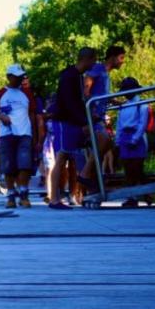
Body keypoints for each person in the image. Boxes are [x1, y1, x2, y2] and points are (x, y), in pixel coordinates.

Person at [48, 47, 97, 208]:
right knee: (61, 158)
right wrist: (83, 121)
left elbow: (78, 102)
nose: (94, 63)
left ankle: (73, 194)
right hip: (64, 121)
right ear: (87, 59)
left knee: (72, 157)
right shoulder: (70, 76)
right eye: (93, 60)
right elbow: (69, 103)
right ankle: (54, 198)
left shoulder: (77, 76)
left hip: (72, 121)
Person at [0, 64, 39, 208]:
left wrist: (34, 135)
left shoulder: (27, 93)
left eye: (21, 76)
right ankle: (11, 196)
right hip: (6, 135)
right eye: (17, 76)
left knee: (24, 166)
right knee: (8, 166)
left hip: (25, 133)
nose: (20, 79)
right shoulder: (0, 93)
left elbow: (32, 114)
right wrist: (1, 117)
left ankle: (24, 194)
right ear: (9, 77)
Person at [84, 45, 126, 184]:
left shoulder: (106, 74)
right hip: (94, 117)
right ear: (113, 57)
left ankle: (91, 177)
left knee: (107, 144)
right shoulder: (98, 69)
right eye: (121, 58)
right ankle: (86, 173)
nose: (122, 61)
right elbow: (86, 86)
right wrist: (90, 110)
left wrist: (115, 101)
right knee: (105, 141)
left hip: (99, 116)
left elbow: (102, 94)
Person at [115, 76, 150, 207]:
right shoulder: (123, 107)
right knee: (128, 169)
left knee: (137, 168)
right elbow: (119, 124)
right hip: (124, 137)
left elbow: (142, 123)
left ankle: (147, 193)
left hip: (137, 137)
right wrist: (118, 141)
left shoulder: (142, 105)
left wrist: (135, 138)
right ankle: (132, 196)